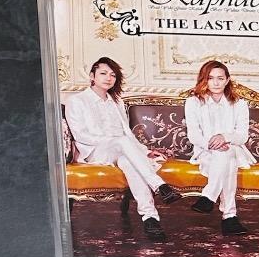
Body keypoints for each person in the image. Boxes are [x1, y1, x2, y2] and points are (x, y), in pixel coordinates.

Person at [65, 57, 181, 242]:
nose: (108, 78)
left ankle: (150, 218)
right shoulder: (77, 101)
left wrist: (144, 152)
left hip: (121, 150)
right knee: (121, 142)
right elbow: (81, 135)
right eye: (103, 73)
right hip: (94, 151)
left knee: (128, 161)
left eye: (113, 75)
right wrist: (114, 141)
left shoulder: (115, 102)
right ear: (92, 76)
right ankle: (159, 185)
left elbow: (128, 135)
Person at [183, 59, 254, 237]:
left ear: (227, 80)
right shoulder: (193, 102)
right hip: (205, 151)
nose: (215, 83)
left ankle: (209, 196)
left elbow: (242, 136)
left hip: (234, 149)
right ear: (204, 80)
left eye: (220, 78)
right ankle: (229, 217)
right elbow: (194, 135)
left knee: (227, 153)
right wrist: (212, 144)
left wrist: (225, 137)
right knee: (226, 160)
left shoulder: (239, 104)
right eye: (210, 78)